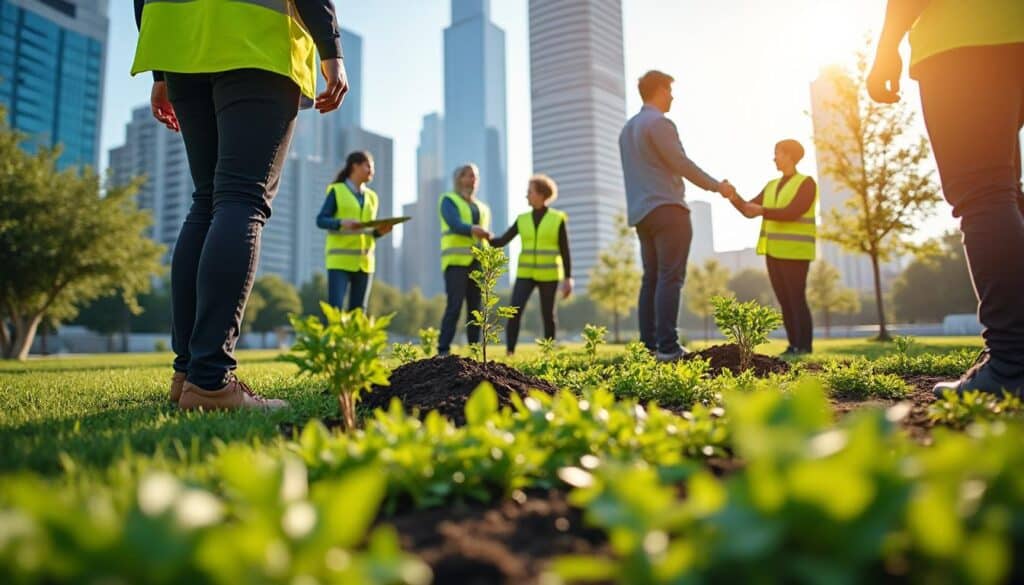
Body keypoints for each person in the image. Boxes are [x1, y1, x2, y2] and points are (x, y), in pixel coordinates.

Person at [132, 0, 348, 410]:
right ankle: (210, 381)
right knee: (240, 197)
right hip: (255, 36)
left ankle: (187, 373)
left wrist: (160, 69)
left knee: (208, 200)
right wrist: (330, 48)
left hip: (179, 42)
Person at [867, 1, 1024, 397]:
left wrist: (887, 45)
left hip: (964, 36)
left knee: (984, 192)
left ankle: (1012, 362)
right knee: (1005, 193)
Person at [619, 70, 739, 362]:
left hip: (641, 214)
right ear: (659, 89)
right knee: (670, 277)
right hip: (668, 209)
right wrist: (716, 185)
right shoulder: (659, 123)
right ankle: (668, 347)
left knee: (652, 279)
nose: (672, 96)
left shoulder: (627, 129)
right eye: (670, 90)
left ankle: (649, 346)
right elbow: (681, 163)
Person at [727, 140, 819, 356]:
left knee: (796, 299)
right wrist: (733, 196)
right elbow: (750, 210)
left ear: (789, 156)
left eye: (777, 153)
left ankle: (804, 346)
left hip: (796, 252)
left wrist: (763, 211)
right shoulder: (771, 185)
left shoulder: (806, 183)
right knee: (785, 301)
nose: (774, 158)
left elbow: (793, 211)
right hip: (773, 252)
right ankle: (793, 345)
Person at [490, 175, 574, 356]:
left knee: (548, 315)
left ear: (541, 194)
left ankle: (548, 353)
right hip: (525, 273)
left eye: (530, 192)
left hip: (549, 274)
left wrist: (568, 278)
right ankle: (510, 351)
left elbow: (565, 251)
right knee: (514, 311)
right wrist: (485, 237)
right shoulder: (522, 219)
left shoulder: (557, 219)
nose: (526, 195)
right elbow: (502, 240)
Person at [316, 151, 392, 312]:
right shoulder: (337, 191)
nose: (372, 171)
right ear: (355, 166)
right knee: (335, 310)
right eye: (368, 166)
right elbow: (321, 220)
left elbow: (369, 232)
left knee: (359, 313)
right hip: (340, 261)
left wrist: (380, 232)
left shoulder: (373, 197)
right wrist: (341, 222)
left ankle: (354, 339)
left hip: (364, 263)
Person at [437, 164, 493, 356]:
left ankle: (475, 350)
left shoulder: (483, 208)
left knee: (476, 309)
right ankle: (443, 349)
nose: (473, 179)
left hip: (478, 264)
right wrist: (473, 229)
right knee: (454, 306)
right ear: (459, 179)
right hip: (456, 263)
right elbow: (454, 224)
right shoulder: (449, 201)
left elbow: (485, 237)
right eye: (468, 176)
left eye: (475, 176)